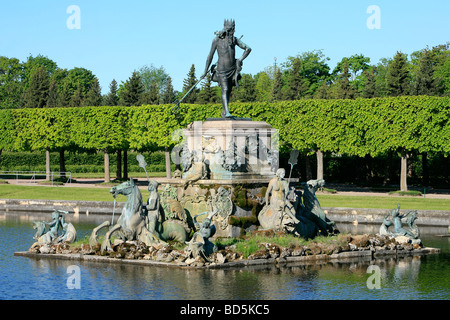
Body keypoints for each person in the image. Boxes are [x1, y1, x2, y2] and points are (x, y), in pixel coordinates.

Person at [202, 19, 251, 118]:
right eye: (230, 30)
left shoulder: (234, 40)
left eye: (233, 29)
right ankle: (227, 112)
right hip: (221, 70)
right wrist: (205, 71)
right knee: (225, 88)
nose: (232, 32)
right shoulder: (216, 40)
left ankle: (224, 112)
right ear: (225, 29)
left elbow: (248, 48)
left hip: (233, 70)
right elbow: (210, 56)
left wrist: (240, 59)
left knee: (228, 91)